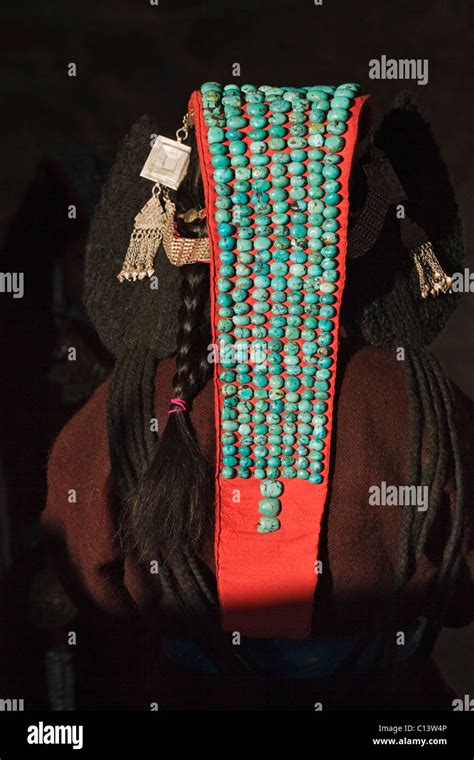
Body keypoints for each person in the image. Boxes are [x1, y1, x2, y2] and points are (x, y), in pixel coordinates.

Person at [42, 82, 473, 711]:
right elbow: (461, 586)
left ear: (188, 223)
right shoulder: (415, 393)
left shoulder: (137, 401)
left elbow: (86, 567)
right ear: (359, 225)